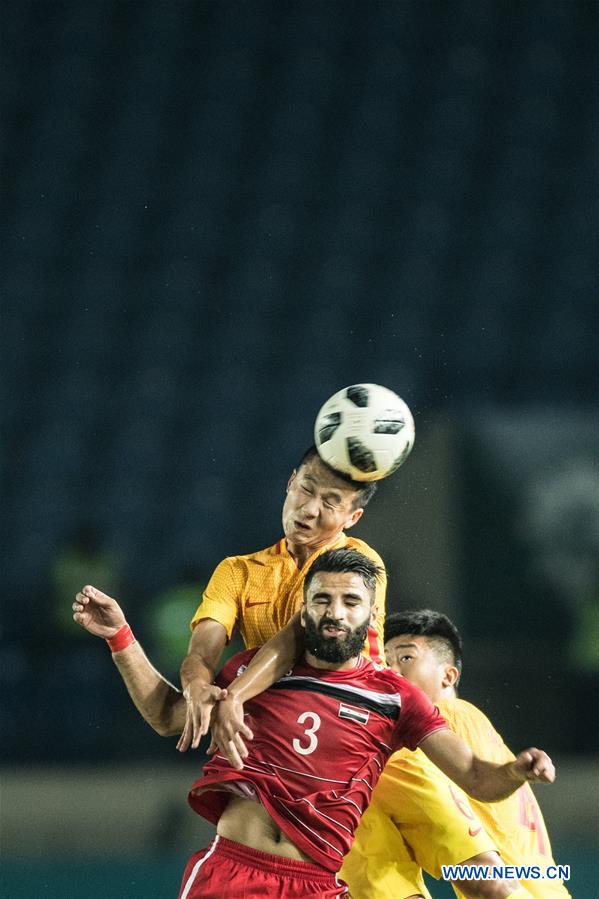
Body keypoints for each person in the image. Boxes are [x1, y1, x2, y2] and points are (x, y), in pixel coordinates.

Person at [74, 551, 555, 899]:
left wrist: (516, 771)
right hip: (232, 874)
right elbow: (167, 716)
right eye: (322, 599)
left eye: (350, 601)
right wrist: (120, 637)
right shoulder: (255, 673)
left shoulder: (395, 697)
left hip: (318, 886)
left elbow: (474, 776)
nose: (335, 612)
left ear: (371, 616)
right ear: (304, 609)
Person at [340, 609, 571, 899]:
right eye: (385, 661)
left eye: (406, 658)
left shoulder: (451, 717)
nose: (392, 671)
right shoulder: (473, 726)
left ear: (448, 676)